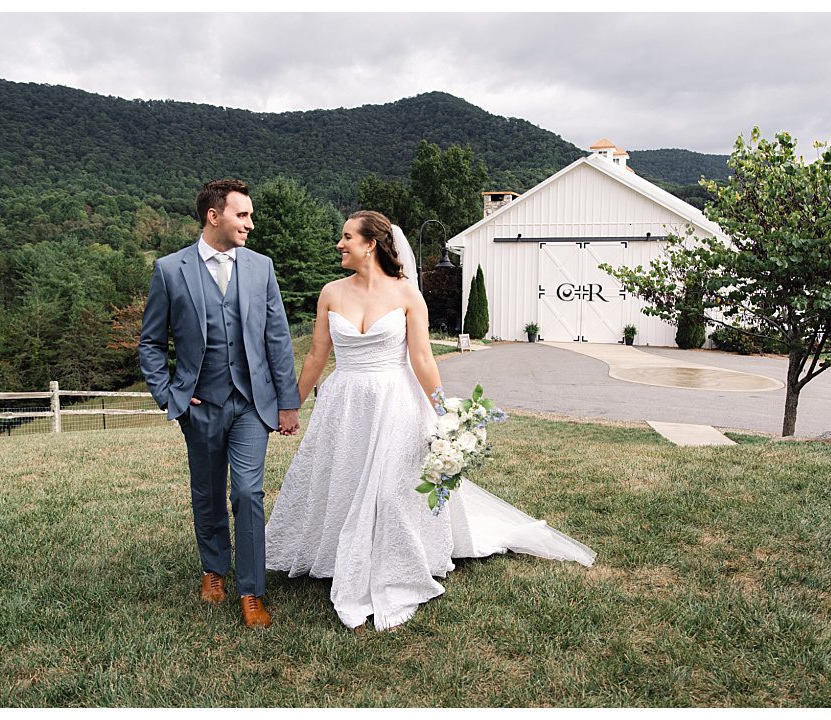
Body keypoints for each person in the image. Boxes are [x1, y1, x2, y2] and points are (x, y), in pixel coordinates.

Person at [264, 210, 594, 632]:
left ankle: (392, 562)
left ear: (370, 244)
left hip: (396, 402)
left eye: (346, 237)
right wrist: (290, 405)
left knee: (392, 488)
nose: (339, 245)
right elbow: (316, 355)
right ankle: (337, 554)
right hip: (344, 402)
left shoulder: (406, 295)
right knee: (344, 478)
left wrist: (445, 414)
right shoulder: (331, 292)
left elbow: (422, 359)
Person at [139, 178, 302, 628]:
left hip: (252, 402)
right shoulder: (171, 270)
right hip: (200, 403)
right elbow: (151, 343)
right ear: (215, 216)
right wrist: (169, 393)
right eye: (243, 215)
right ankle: (214, 570)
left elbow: (277, 338)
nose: (250, 223)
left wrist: (287, 402)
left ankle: (252, 591)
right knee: (208, 492)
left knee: (248, 492)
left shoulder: (261, 267)